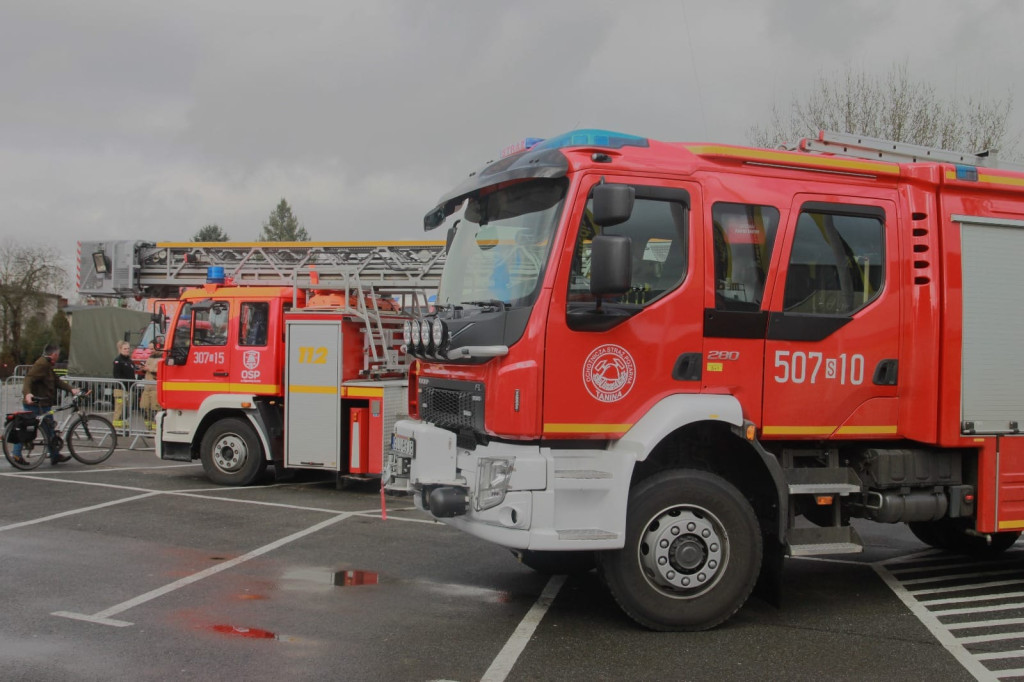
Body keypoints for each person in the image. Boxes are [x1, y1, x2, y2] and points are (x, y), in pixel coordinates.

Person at [15, 344, 81, 466]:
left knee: (49, 431)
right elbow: (29, 378)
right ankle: (16, 454)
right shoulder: (42, 364)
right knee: (29, 429)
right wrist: (28, 394)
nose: (58, 357)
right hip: (36, 404)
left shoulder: (47, 365)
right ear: (54, 355)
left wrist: (71, 389)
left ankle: (55, 455)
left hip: (44, 403)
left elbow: (57, 381)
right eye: (58, 355)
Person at [112, 340, 136, 428]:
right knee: (119, 409)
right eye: (125, 348)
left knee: (127, 410)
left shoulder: (130, 361)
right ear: (120, 349)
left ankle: (124, 427)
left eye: (128, 348)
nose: (127, 350)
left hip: (129, 389)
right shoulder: (118, 361)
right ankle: (116, 428)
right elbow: (116, 375)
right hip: (120, 390)